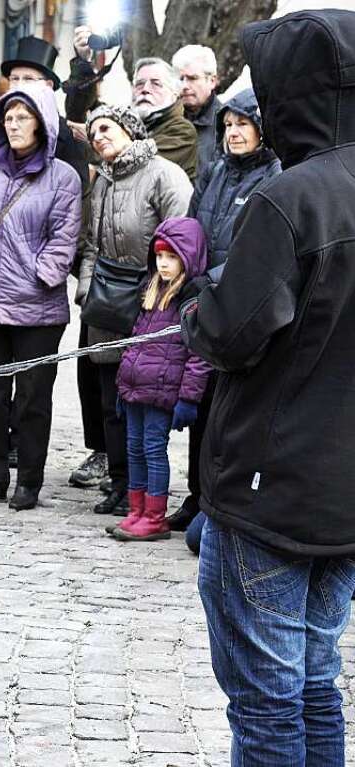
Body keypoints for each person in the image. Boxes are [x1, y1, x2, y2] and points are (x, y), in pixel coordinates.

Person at [183, 11, 355, 763]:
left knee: (269, 701)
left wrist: (197, 309)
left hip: (271, 487)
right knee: (314, 679)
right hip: (339, 491)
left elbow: (226, 332)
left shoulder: (291, 198)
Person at [0, 84, 81, 510]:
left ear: (42, 123)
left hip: (38, 308)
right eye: (8, 118)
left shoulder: (63, 177)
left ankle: (29, 480)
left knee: (32, 400)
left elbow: (64, 240)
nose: (14, 125)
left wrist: (36, 276)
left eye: (23, 117)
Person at [171, 87, 281, 545]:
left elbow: (256, 247)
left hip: (236, 301)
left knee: (226, 408)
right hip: (203, 299)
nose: (234, 133)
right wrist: (187, 272)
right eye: (228, 125)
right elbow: (195, 225)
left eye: (243, 125)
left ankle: (219, 499)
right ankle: (196, 495)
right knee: (198, 409)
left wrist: (215, 279)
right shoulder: (214, 171)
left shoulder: (275, 175)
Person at [76, 105, 191, 516]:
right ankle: (120, 482)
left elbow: (181, 239)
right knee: (111, 399)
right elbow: (90, 242)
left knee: (143, 399)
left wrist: (161, 294)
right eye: (93, 133)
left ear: (129, 129)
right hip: (107, 299)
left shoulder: (165, 174)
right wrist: (88, 289)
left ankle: (146, 492)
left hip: (149, 298)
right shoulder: (103, 181)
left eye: (106, 127)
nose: (99, 137)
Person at [0, 36, 95, 480]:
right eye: (14, 80)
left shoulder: (67, 142)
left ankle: (27, 456)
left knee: (33, 386)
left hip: (38, 284)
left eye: (30, 80)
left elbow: (69, 215)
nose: (20, 87)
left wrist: (46, 271)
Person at [106, 217, 210, 541]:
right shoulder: (152, 290)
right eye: (160, 257)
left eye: (172, 257)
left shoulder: (192, 299)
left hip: (162, 393)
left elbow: (199, 355)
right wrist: (123, 385)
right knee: (133, 448)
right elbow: (135, 339)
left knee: (153, 449)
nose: (164, 264)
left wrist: (188, 398)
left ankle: (154, 515)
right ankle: (136, 510)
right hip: (136, 389)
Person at [130, 58, 198, 181]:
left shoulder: (182, 130)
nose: (145, 89)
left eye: (156, 84)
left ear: (174, 94)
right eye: (139, 84)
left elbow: (136, 164)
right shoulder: (126, 125)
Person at [172, 45, 222, 177]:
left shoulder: (227, 124)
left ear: (212, 81)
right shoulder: (168, 122)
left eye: (192, 78)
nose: (185, 86)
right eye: (181, 79)